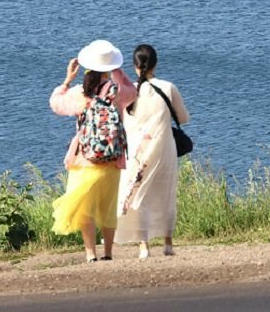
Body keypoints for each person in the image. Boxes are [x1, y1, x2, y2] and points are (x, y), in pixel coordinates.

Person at [49, 39, 137, 263]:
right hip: (112, 158)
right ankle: (108, 252)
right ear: (110, 68)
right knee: (107, 207)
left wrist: (68, 79)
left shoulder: (80, 93)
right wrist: (117, 72)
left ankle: (90, 253)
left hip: (84, 158)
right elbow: (133, 93)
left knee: (85, 209)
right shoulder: (116, 93)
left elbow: (56, 103)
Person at [115, 43, 190, 259]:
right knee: (165, 194)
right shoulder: (167, 87)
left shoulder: (127, 92)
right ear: (155, 64)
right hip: (164, 148)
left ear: (134, 66)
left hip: (137, 152)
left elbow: (122, 121)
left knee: (139, 195)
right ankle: (168, 243)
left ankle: (143, 246)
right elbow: (183, 118)